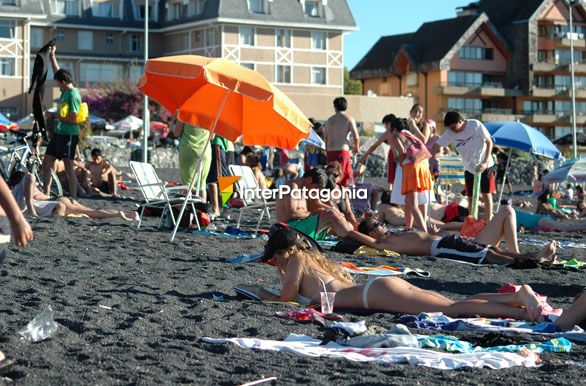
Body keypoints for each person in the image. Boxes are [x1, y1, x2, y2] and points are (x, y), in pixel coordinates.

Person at [257, 225, 546, 321]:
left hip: (377, 294)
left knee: (452, 309)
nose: (276, 265)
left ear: (281, 253)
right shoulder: (313, 259)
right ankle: (514, 299)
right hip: (380, 289)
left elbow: (287, 297)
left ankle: (521, 309)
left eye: (274, 259)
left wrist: (262, 295)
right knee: (448, 304)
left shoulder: (294, 260)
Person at [348, 218, 556, 266]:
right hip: (442, 247)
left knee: (492, 248)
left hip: (448, 240)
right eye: (377, 224)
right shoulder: (383, 243)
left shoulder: (394, 235)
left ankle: (534, 256)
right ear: (372, 233)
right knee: (489, 256)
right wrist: (345, 227)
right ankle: (532, 262)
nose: (382, 224)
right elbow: (354, 233)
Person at [10, 172, 138, 221]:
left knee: (92, 212)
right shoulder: (35, 189)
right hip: (61, 199)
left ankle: (118, 214)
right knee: (91, 212)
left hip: (58, 202)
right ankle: (128, 214)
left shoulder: (26, 189)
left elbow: (29, 180)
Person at [438, 111, 495, 221]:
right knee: (470, 197)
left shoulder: (475, 125)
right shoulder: (450, 132)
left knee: (486, 194)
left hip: (485, 165)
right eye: (450, 128)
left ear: (460, 121)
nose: (452, 130)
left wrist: (484, 162)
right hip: (469, 167)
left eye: (453, 127)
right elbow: (437, 145)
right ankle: (472, 220)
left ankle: (489, 221)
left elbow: (489, 142)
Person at [42, 45, 81, 199]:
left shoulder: (73, 95)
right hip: (58, 134)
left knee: (69, 166)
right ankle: (46, 193)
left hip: (68, 135)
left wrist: (55, 116)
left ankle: (73, 198)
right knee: (46, 163)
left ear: (64, 82)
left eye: (58, 83)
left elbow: (74, 118)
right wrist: (52, 56)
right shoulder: (65, 89)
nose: (57, 86)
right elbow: (57, 70)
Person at [275, 168, 353, 240]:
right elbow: (292, 214)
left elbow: (314, 206)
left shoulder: (303, 189)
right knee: (331, 215)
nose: (315, 191)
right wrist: (314, 213)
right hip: (289, 229)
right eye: (315, 188)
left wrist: (327, 209)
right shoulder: (292, 187)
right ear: (309, 179)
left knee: (341, 218)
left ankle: (353, 237)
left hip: (300, 226)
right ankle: (353, 239)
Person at [323, 97, 359, 187]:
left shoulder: (328, 120)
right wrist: (356, 148)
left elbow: (326, 138)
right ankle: (343, 200)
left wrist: (326, 152)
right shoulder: (349, 119)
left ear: (335, 107)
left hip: (330, 152)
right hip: (342, 152)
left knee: (331, 181)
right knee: (344, 181)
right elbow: (356, 137)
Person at [175, 120, 211, 200]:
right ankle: (202, 211)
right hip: (205, 150)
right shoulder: (210, 114)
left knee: (187, 186)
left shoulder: (186, 111)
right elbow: (212, 136)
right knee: (201, 186)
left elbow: (177, 132)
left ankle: (188, 211)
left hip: (189, 148)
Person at [325, 162, 358, 229]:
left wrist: (356, 225)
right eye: (328, 174)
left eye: (334, 175)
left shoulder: (342, 189)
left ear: (340, 177)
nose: (331, 177)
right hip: (329, 225)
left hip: (343, 222)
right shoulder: (321, 189)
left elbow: (348, 212)